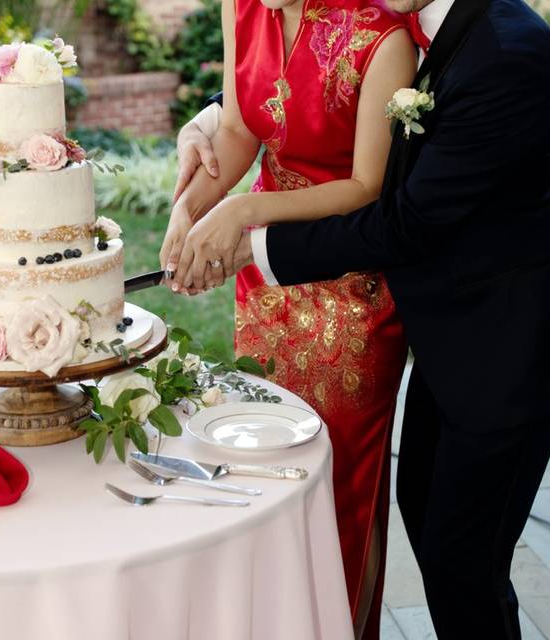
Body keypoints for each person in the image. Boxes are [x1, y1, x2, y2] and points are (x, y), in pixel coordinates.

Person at [169, 0, 550, 638]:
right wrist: (213, 114)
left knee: (463, 558)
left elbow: (406, 222)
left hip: (508, 346)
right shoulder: (426, 21)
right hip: (451, 339)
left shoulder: (509, 54)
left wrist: (251, 229)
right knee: (429, 516)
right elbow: (308, 83)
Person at [159, 0, 416, 637]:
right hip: (266, 281)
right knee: (259, 467)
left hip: (350, 293)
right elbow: (242, 131)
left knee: (341, 483)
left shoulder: (382, 39)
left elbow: (366, 187)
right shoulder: (239, 8)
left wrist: (246, 212)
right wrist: (187, 209)